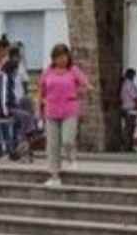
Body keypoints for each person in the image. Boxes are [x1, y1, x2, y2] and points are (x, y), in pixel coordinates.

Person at [39, 44, 89, 187]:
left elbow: (86, 86)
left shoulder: (73, 70)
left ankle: (71, 158)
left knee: (67, 139)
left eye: (64, 56)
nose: (62, 60)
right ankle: (54, 176)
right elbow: (41, 91)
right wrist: (40, 109)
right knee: (52, 145)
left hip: (69, 110)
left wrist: (77, 93)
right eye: (58, 57)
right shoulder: (47, 72)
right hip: (51, 111)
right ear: (53, 58)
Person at [119, 68, 137, 153]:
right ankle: (126, 146)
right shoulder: (129, 84)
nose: (133, 76)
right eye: (133, 75)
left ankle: (128, 146)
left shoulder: (124, 84)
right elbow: (135, 97)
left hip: (126, 107)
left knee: (129, 128)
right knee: (129, 128)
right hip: (129, 108)